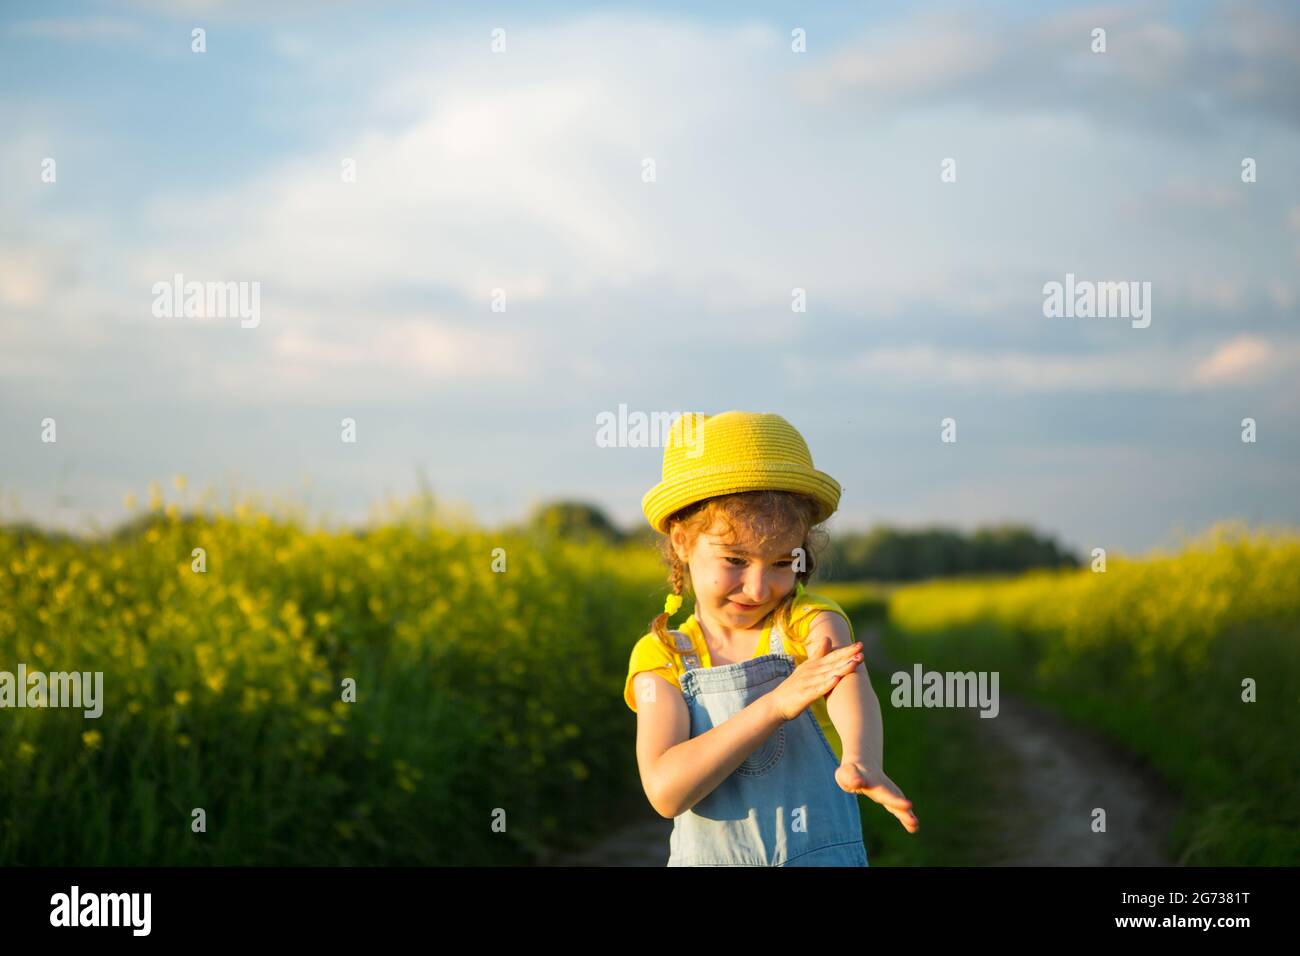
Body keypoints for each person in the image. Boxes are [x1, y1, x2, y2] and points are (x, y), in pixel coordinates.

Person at [624, 410, 919, 865]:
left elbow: (845, 680)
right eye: (736, 561)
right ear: (682, 542)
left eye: (783, 563)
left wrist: (862, 758)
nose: (760, 589)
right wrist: (776, 705)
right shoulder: (662, 655)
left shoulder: (806, 621)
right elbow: (666, 791)